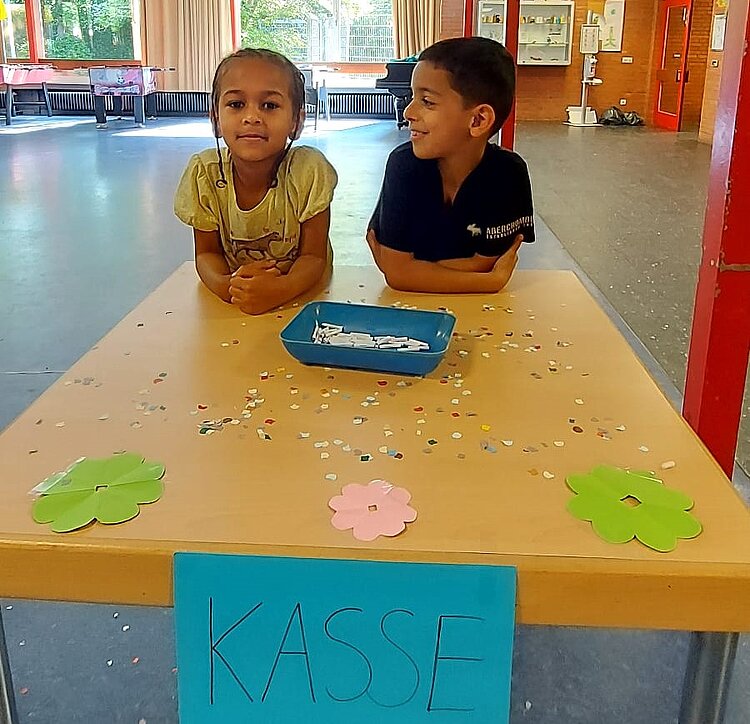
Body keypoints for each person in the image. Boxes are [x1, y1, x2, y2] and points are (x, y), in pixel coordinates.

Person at [174, 49, 338, 315]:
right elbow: (207, 254)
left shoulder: (308, 170)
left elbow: (314, 257)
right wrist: (228, 286)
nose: (252, 117)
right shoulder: (204, 173)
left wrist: (281, 289)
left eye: (270, 105)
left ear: (297, 121)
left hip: (306, 298)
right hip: (236, 303)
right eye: (236, 104)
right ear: (215, 118)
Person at [367, 37, 535, 293]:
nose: (408, 112)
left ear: (478, 120)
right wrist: (489, 282)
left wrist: (412, 270)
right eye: (413, 97)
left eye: (427, 101)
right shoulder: (404, 166)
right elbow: (397, 273)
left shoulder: (507, 175)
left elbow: (485, 261)